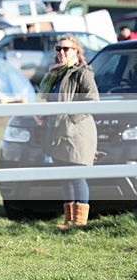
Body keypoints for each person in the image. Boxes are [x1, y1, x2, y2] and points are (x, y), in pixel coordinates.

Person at [37, 34, 99, 228]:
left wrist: (69, 118)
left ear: (75, 51)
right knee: (65, 178)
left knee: (77, 178)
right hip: (57, 133)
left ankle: (79, 223)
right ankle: (69, 220)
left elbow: (92, 101)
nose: (61, 52)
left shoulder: (82, 72)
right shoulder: (56, 73)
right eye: (59, 49)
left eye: (66, 49)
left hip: (76, 133)